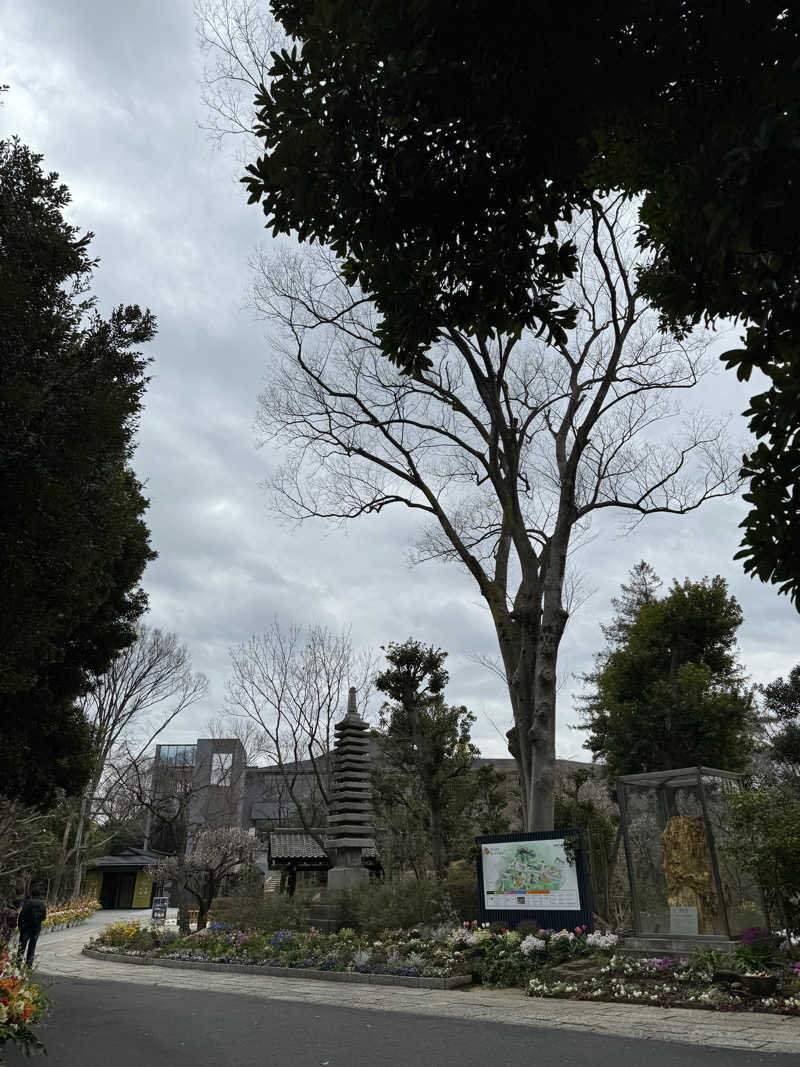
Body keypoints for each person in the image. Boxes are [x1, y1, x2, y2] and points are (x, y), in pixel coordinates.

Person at [16, 887, 46, 967]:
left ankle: (18, 964)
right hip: (36, 928)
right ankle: (29, 964)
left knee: (22, 947)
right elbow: (44, 917)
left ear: (32, 894)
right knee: (32, 946)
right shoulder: (43, 904)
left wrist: (20, 926)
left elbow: (21, 915)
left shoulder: (28, 903)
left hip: (26, 927)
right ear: (40, 895)